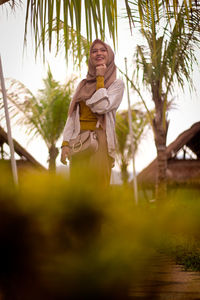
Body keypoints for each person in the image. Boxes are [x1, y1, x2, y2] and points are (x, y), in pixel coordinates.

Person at [61, 39, 124, 185]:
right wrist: (65, 144)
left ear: (110, 55)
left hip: (100, 139)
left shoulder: (117, 84)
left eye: (103, 50)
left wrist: (100, 78)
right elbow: (72, 117)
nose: (98, 53)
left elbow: (101, 107)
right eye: (94, 51)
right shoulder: (83, 85)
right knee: (78, 191)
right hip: (78, 141)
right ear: (90, 57)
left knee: (98, 189)